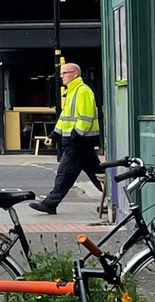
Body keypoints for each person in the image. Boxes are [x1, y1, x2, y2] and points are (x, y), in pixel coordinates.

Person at [31, 63, 102, 214]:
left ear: (75, 74)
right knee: (97, 172)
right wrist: (54, 134)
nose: (61, 76)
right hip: (79, 141)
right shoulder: (72, 91)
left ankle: (50, 203)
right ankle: (114, 199)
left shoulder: (82, 91)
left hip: (78, 141)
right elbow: (64, 118)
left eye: (65, 73)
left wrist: (77, 134)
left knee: (64, 173)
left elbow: (86, 117)